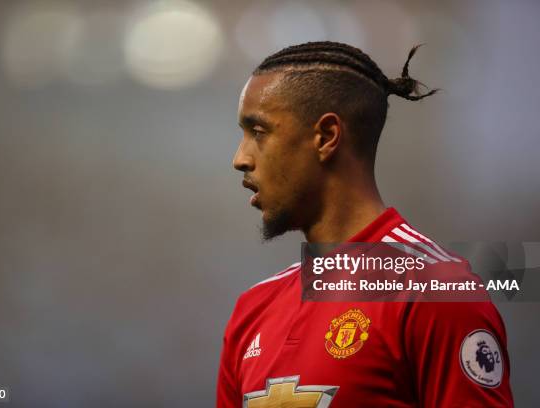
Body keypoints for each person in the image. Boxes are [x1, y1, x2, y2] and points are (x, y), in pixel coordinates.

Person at [217, 41, 514, 407]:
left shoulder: (435, 292)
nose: (240, 158)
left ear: (326, 137)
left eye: (258, 132)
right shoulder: (252, 310)